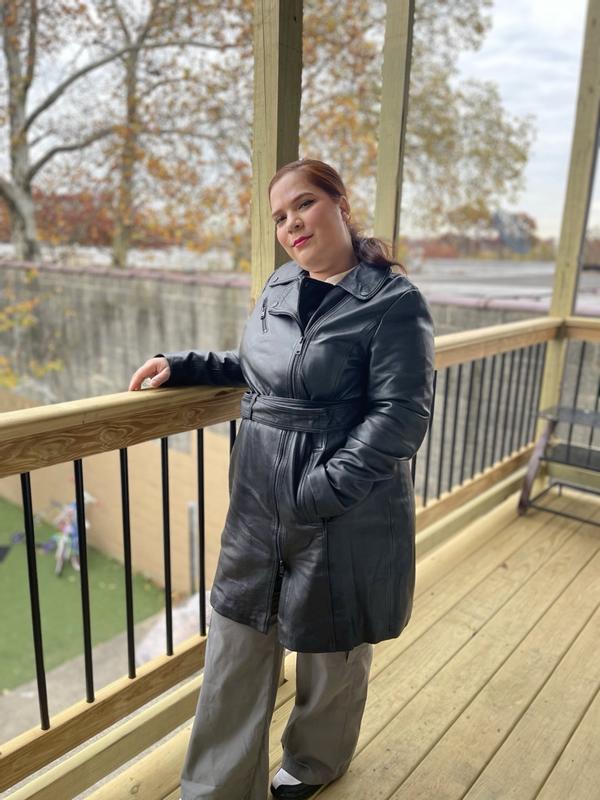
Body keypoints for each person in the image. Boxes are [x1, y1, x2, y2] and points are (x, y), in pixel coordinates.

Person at [129, 158, 435, 800]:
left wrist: (321, 492)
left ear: (340, 205)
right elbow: (260, 366)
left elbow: (402, 414)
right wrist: (182, 365)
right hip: (257, 500)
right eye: (279, 216)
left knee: (333, 649)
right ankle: (216, 788)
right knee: (235, 645)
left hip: (343, 507)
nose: (291, 223)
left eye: (304, 204)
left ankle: (315, 763)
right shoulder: (279, 284)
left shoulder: (394, 302)